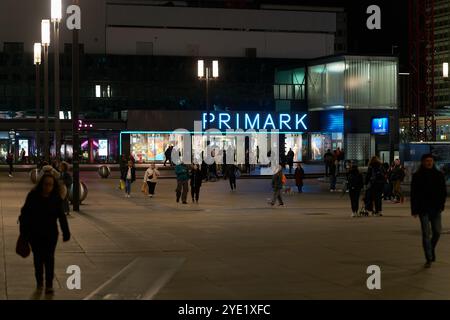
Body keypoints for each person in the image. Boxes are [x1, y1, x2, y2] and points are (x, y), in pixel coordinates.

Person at [19, 173, 71, 294]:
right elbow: (24, 215)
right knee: (37, 259)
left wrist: (66, 232)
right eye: (46, 184)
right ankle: (39, 282)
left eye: (51, 185)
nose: (48, 187)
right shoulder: (33, 196)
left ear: (54, 186)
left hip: (51, 234)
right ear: (42, 184)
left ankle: (49, 284)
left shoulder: (55, 198)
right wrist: (24, 233)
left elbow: (61, 216)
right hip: (35, 234)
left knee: (49, 259)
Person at [411, 153, 447, 268]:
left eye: (431, 161)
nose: (429, 162)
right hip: (423, 209)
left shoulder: (439, 175)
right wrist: (414, 209)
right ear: (423, 162)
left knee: (437, 232)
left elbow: (443, 192)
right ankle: (429, 258)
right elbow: (414, 194)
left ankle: (430, 249)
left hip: (436, 208)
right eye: (427, 161)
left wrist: (441, 205)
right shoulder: (417, 176)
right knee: (426, 234)